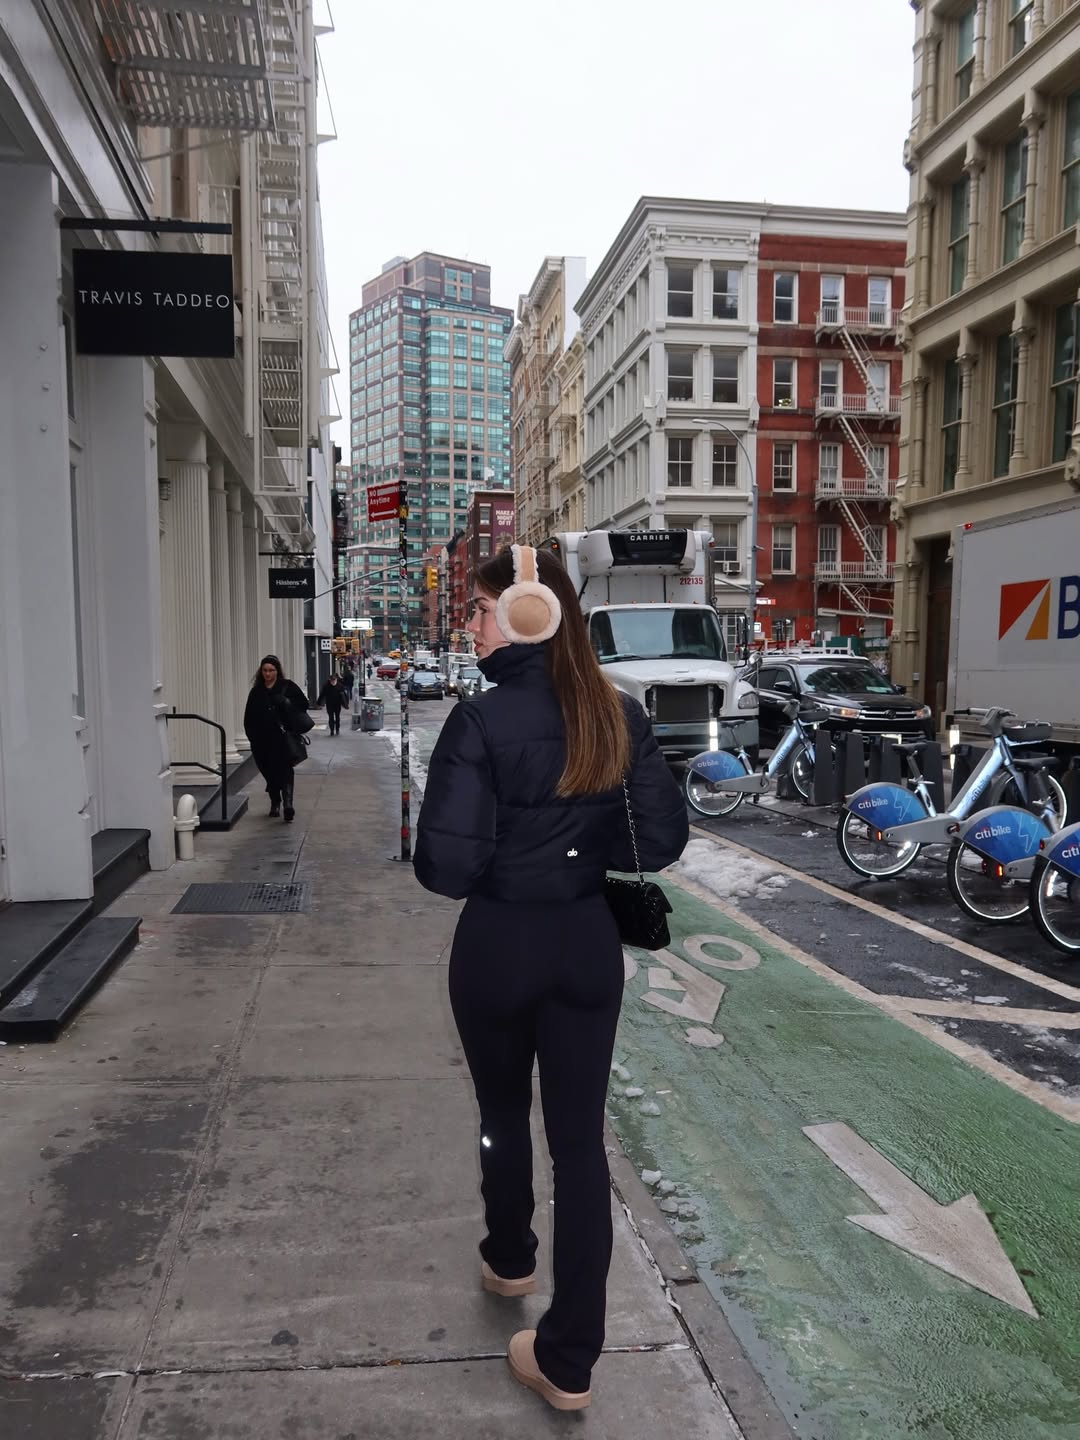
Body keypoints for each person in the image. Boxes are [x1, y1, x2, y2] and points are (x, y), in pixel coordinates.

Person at [414, 545, 688, 1412]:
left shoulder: (479, 722)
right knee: (579, 1146)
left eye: (480, 609)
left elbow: (445, 870)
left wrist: (510, 848)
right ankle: (569, 1358)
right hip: (584, 945)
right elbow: (661, 842)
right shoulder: (619, 715)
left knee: (502, 1115)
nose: (470, 624)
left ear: (527, 614)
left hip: (499, 945)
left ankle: (510, 1257)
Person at [242, 654, 310, 822]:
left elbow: (303, 705)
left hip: (283, 738)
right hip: (262, 740)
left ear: (277, 671)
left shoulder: (287, 687)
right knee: (269, 772)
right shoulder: (257, 692)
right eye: (265, 670)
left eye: (271, 670)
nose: (267, 673)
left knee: (285, 769)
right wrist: (252, 737)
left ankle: (288, 804)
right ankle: (275, 800)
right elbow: (249, 717)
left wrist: (286, 702)